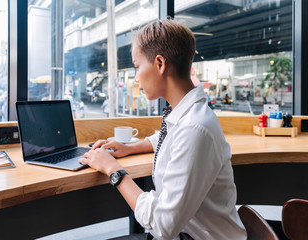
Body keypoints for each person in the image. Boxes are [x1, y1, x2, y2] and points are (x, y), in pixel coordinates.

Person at [79, 19, 247, 240]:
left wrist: (114, 171)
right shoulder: (187, 113)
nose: (136, 77)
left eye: (137, 66)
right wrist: (129, 147)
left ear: (160, 64)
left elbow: (162, 226)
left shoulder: (195, 128)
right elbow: (166, 136)